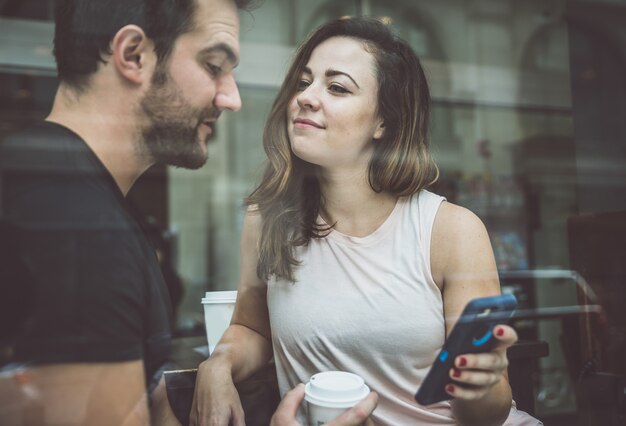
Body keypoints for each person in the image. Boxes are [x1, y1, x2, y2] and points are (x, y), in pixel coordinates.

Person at [0, 0, 377, 423]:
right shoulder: (75, 228)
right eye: (214, 65)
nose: (231, 97)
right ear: (133, 56)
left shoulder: (84, 203)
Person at [191, 17, 542, 425]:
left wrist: (483, 384)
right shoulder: (268, 220)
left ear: (384, 122)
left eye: (337, 87)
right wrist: (217, 365)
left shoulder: (451, 231)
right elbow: (252, 330)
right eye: (304, 82)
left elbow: (488, 414)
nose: (306, 97)